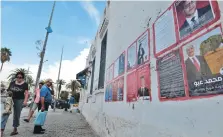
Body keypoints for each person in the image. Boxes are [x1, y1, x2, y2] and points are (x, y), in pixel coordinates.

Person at [7, 72, 29, 136]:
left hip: (19, 100)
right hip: (11, 99)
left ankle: (15, 129)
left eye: (20, 77)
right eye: (18, 77)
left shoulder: (25, 84)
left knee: (16, 114)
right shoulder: (12, 83)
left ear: (22, 78)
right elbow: (8, 90)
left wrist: (25, 101)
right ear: (16, 77)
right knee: (6, 112)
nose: (19, 79)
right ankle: (2, 129)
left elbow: (26, 93)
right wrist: (9, 93)